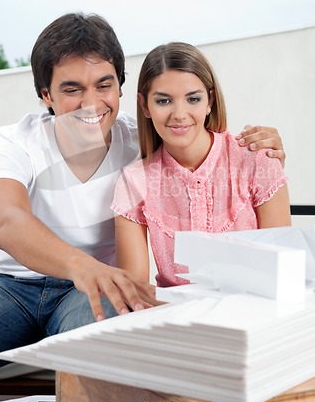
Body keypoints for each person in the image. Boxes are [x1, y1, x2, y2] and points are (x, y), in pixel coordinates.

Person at [0, 14, 285, 372]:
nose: (90, 103)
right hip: (10, 285)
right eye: (72, 88)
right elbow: (7, 221)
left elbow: (197, 133)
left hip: (93, 293)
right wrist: (83, 267)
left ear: (122, 90)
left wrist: (265, 147)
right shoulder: (13, 142)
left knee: (110, 342)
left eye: (103, 85)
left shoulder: (142, 139)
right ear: (46, 94)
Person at [112, 42, 291, 288]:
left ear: (210, 101)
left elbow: (282, 272)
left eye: (193, 99)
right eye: (164, 101)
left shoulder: (257, 158)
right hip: (177, 317)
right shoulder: (133, 181)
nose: (179, 113)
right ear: (145, 106)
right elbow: (135, 290)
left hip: (256, 311)